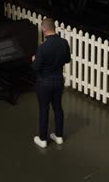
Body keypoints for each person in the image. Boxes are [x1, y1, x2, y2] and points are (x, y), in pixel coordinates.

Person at [31, 18, 71, 148]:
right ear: (54, 28)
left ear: (43, 29)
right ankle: (59, 136)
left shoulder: (43, 47)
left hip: (44, 82)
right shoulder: (64, 42)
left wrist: (34, 59)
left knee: (44, 109)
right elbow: (67, 60)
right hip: (58, 80)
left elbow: (36, 68)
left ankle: (43, 139)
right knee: (58, 107)